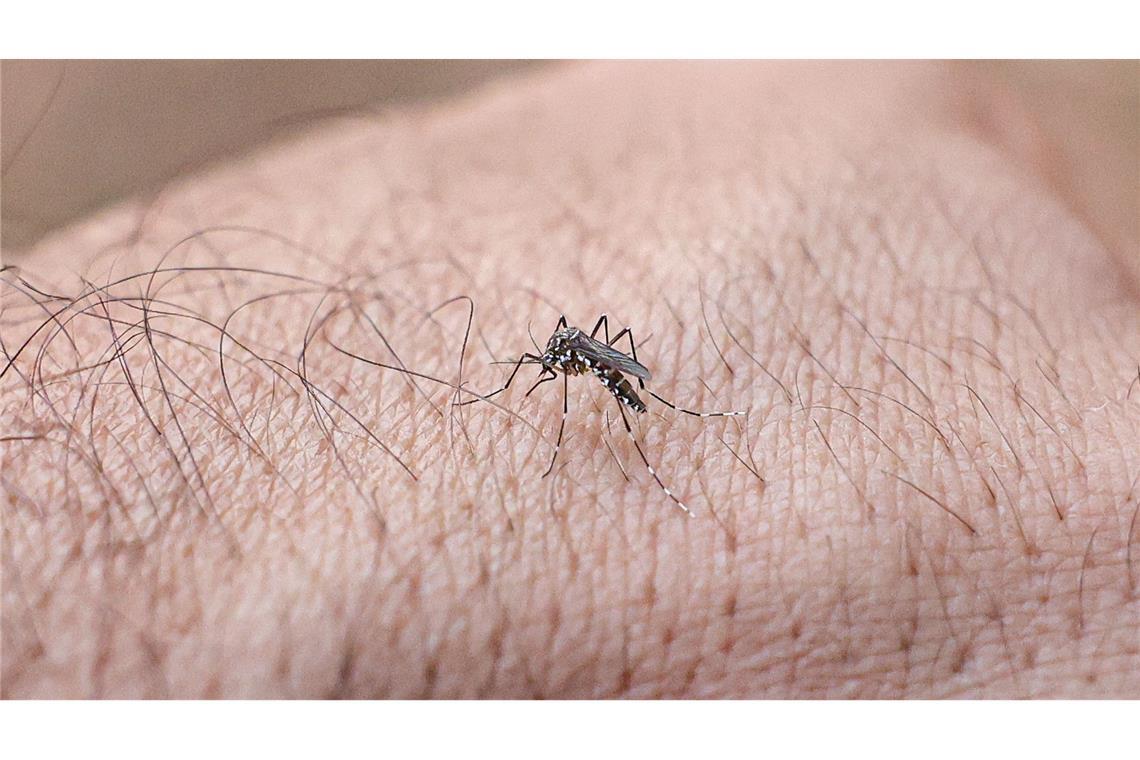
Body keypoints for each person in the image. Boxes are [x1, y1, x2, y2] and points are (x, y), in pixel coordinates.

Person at [2, 61, 1137, 698]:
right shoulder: (559, 354)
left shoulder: (585, 369)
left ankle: (657, 406)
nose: (552, 368)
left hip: (626, 370)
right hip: (610, 357)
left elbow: (581, 359)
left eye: (553, 362)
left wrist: (614, 376)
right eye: (556, 362)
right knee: (592, 375)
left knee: (613, 390)